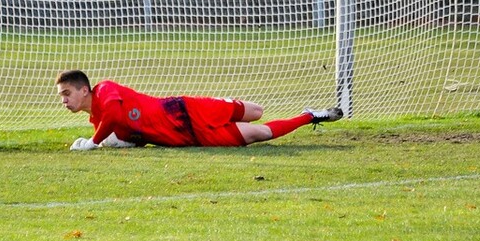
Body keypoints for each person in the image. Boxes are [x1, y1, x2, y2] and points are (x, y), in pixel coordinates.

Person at [56, 69, 343, 151]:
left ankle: (225, 101)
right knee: (259, 133)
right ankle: (310, 116)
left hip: (185, 109)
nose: (64, 100)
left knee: (256, 110)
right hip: (188, 137)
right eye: (61, 96)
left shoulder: (106, 90)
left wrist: (93, 144)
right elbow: (128, 134)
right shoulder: (99, 122)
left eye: (67, 93)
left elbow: (116, 116)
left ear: (85, 90)